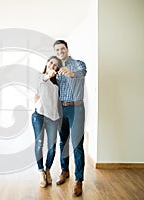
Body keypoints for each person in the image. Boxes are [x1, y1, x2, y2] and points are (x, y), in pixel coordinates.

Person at [54, 40, 87, 196]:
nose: (60, 51)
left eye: (62, 48)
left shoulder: (78, 64)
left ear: (67, 49)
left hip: (76, 108)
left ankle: (78, 180)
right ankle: (64, 171)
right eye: (57, 50)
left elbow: (82, 73)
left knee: (77, 145)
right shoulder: (56, 67)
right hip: (61, 108)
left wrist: (72, 73)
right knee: (63, 142)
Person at [31, 56, 62, 188]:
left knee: (52, 148)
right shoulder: (40, 77)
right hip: (39, 116)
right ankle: (40, 172)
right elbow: (40, 85)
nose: (52, 66)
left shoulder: (57, 83)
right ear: (47, 63)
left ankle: (47, 169)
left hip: (53, 118)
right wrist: (47, 75)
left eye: (55, 65)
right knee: (39, 145)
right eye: (51, 63)